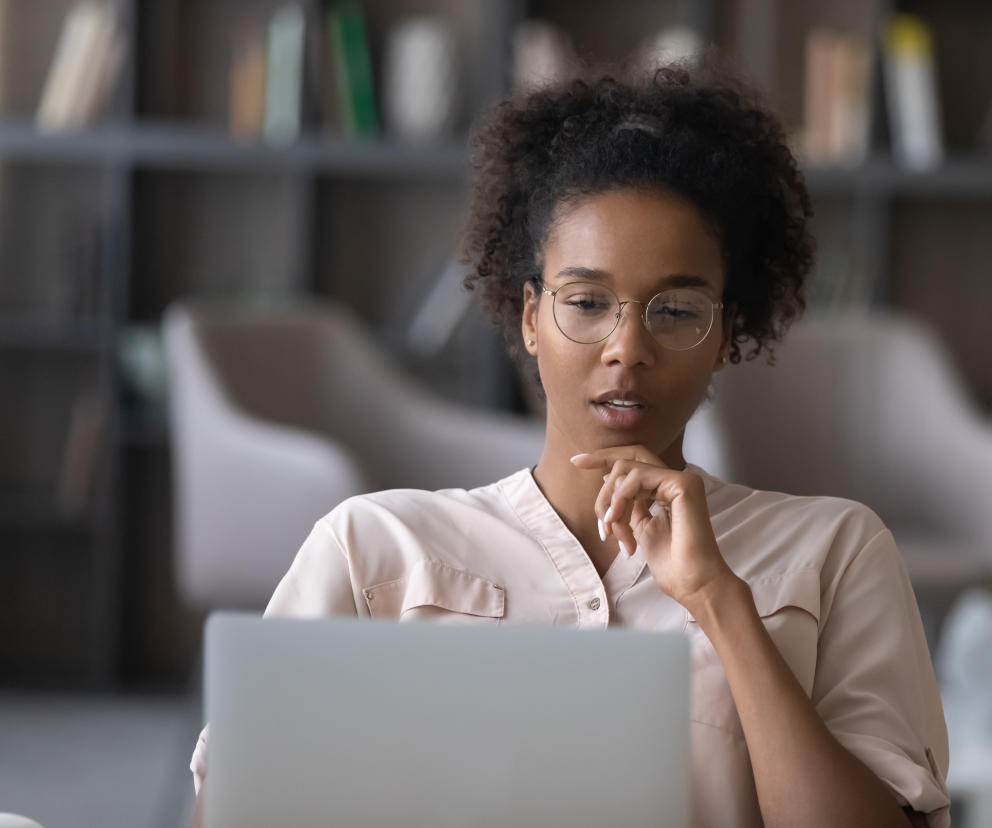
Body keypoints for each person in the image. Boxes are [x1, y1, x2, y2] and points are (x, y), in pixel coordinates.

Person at [189, 63, 951, 828]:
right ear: (529, 317)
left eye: (677, 310)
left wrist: (719, 601)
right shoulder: (372, 551)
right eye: (587, 302)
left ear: (727, 333)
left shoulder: (836, 551)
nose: (627, 347)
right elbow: (226, 811)